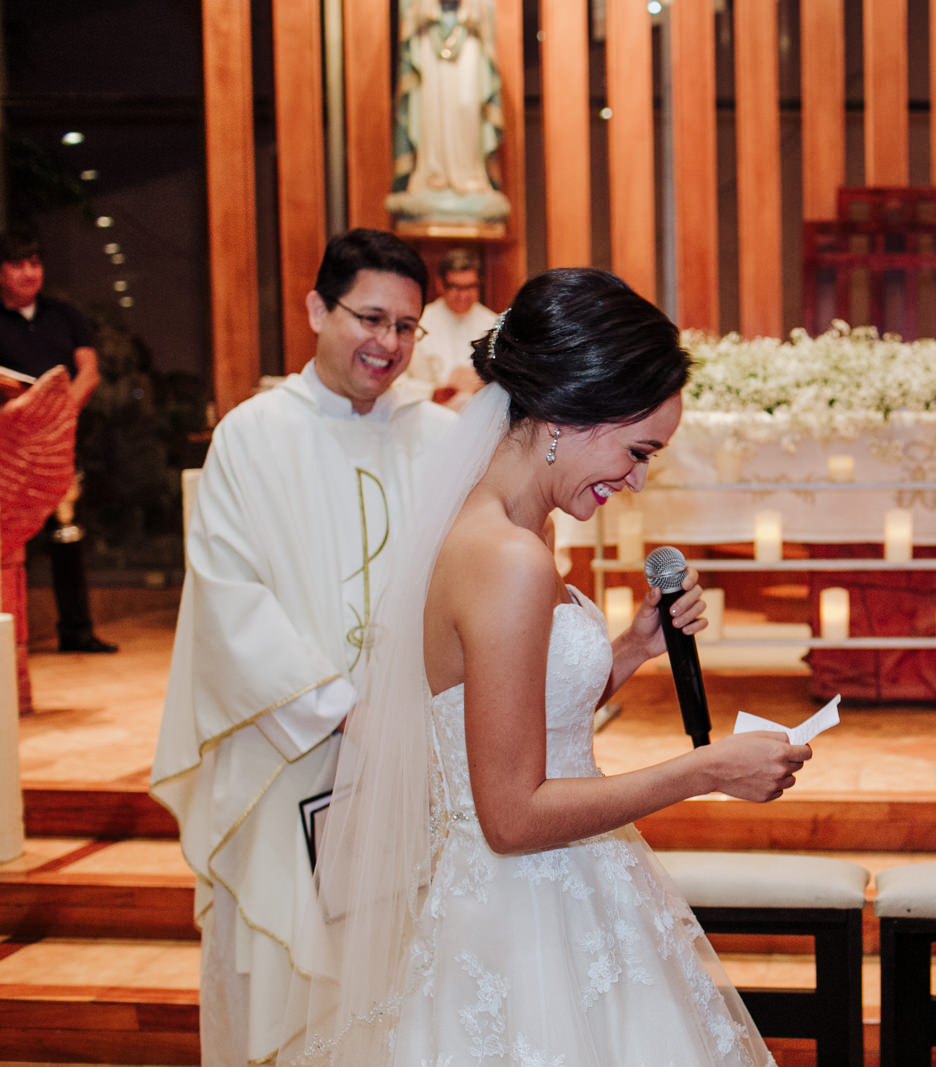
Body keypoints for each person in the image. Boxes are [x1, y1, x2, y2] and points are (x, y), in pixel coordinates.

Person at [280, 268, 809, 1067]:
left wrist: (633, 645)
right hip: (524, 914)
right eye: (637, 451)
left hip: (560, 888)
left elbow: (510, 714)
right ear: (567, 415)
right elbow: (512, 815)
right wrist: (703, 768)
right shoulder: (507, 556)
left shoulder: (514, 525)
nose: (636, 479)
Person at [150, 229, 455, 1065]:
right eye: (370, 317)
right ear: (318, 307)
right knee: (287, 984)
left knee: (397, 974)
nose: (386, 344)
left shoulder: (437, 437)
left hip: (409, 759)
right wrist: (343, 712)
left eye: (406, 326)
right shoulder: (251, 437)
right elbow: (228, 600)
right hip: (287, 755)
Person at [0, 230, 116, 653]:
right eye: (17, 264)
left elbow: (88, 369)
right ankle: (10, 640)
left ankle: (77, 630)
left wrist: (61, 411)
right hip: (8, 449)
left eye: (34, 263)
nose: (28, 272)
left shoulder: (65, 314)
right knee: (8, 546)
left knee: (68, 535)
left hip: (61, 442)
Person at [386, 0, 512, 224]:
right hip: (427, 37)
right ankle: (431, 176)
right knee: (431, 114)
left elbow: (485, 11)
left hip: (468, 37)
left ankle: (470, 178)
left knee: (466, 107)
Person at [403, 246, 497, 408]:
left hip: (480, 416)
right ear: (440, 284)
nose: (463, 295)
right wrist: (433, 392)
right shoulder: (419, 323)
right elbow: (400, 380)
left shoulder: (494, 324)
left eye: (470, 287)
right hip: (430, 414)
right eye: (456, 287)